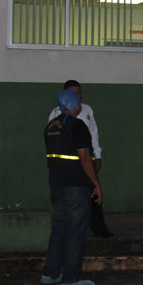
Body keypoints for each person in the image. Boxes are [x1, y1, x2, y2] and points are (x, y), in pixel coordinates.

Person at [42, 89, 102, 285]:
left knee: (59, 228)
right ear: (74, 105)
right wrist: (96, 183)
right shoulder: (78, 126)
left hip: (56, 185)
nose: (80, 105)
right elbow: (84, 158)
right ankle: (71, 278)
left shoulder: (50, 126)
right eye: (78, 102)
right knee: (76, 230)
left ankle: (51, 273)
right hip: (76, 186)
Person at [48, 80, 113, 238]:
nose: (78, 97)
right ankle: (72, 234)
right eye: (73, 93)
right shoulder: (56, 115)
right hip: (70, 166)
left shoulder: (87, 110)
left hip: (86, 159)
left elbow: (94, 134)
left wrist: (97, 155)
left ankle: (99, 229)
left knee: (93, 195)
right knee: (71, 202)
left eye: (79, 92)